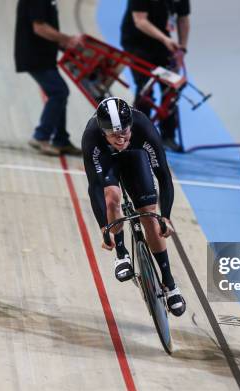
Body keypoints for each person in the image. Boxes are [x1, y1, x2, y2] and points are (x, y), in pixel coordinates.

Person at [82, 97, 186, 316]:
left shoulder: (144, 127)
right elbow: (94, 187)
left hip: (135, 156)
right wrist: (104, 228)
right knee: (111, 197)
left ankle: (169, 284)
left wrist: (165, 217)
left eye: (124, 133)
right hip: (108, 160)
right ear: (102, 131)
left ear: (130, 126)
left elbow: (164, 176)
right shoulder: (91, 136)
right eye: (113, 135)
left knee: (150, 215)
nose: (120, 139)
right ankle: (122, 254)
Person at [15, 0, 83, 156]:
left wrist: (63, 44)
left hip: (44, 55)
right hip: (34, 55)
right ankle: (41, 136)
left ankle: (61, 140)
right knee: (59, 92)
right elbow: (39, 28)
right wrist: (67, 39)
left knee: (59, 93)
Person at [120, 0, 190, 151]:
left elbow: (183, 18)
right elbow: (140, 21)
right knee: (145, 88)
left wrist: (182, 49)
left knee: (171, 86)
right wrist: (165, 39)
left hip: (162, 44)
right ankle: (138, 134)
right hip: (136, 43)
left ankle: (168, 136)